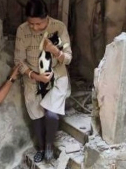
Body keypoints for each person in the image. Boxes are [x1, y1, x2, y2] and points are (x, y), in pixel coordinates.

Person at [14, 0, 72, 163]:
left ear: (46, 18)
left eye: (38, 23)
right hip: (33, 79)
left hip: (56, 76)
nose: (34, 27)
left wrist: (54, 50)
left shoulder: (59, 27)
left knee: (52, 115)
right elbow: (19, 61)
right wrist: (35, 76)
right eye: (30, 23)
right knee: (37, 117)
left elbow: (68, 59)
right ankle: (40, 147)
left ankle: (48, 146)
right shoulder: (22, 30)